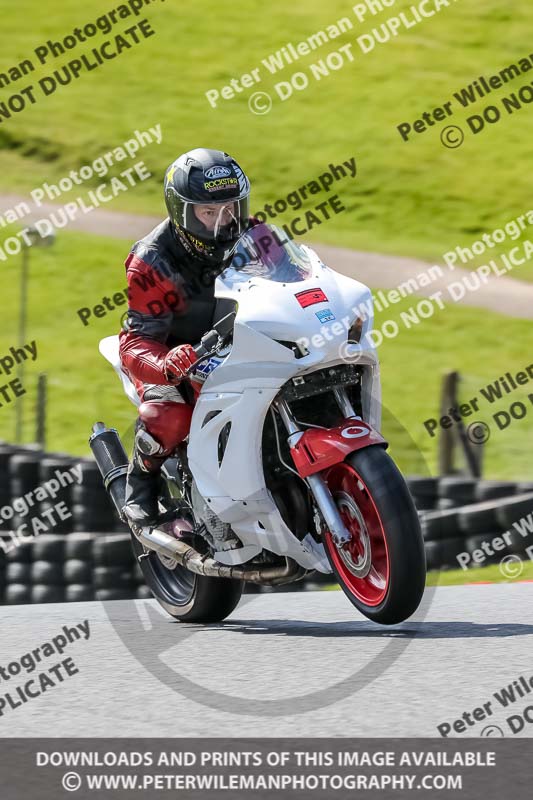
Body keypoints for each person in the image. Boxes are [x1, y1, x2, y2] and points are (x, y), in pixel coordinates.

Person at [119, 148, 251, 526]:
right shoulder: (151, 260)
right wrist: (165, 362)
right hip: (177, 355)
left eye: (230, 209)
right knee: (173, 417)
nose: (222, 222)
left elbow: (301, 273)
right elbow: (134, 342)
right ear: (182, 211)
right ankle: (141, 481)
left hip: (238, 342)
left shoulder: (254, 236)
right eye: (208, 212)